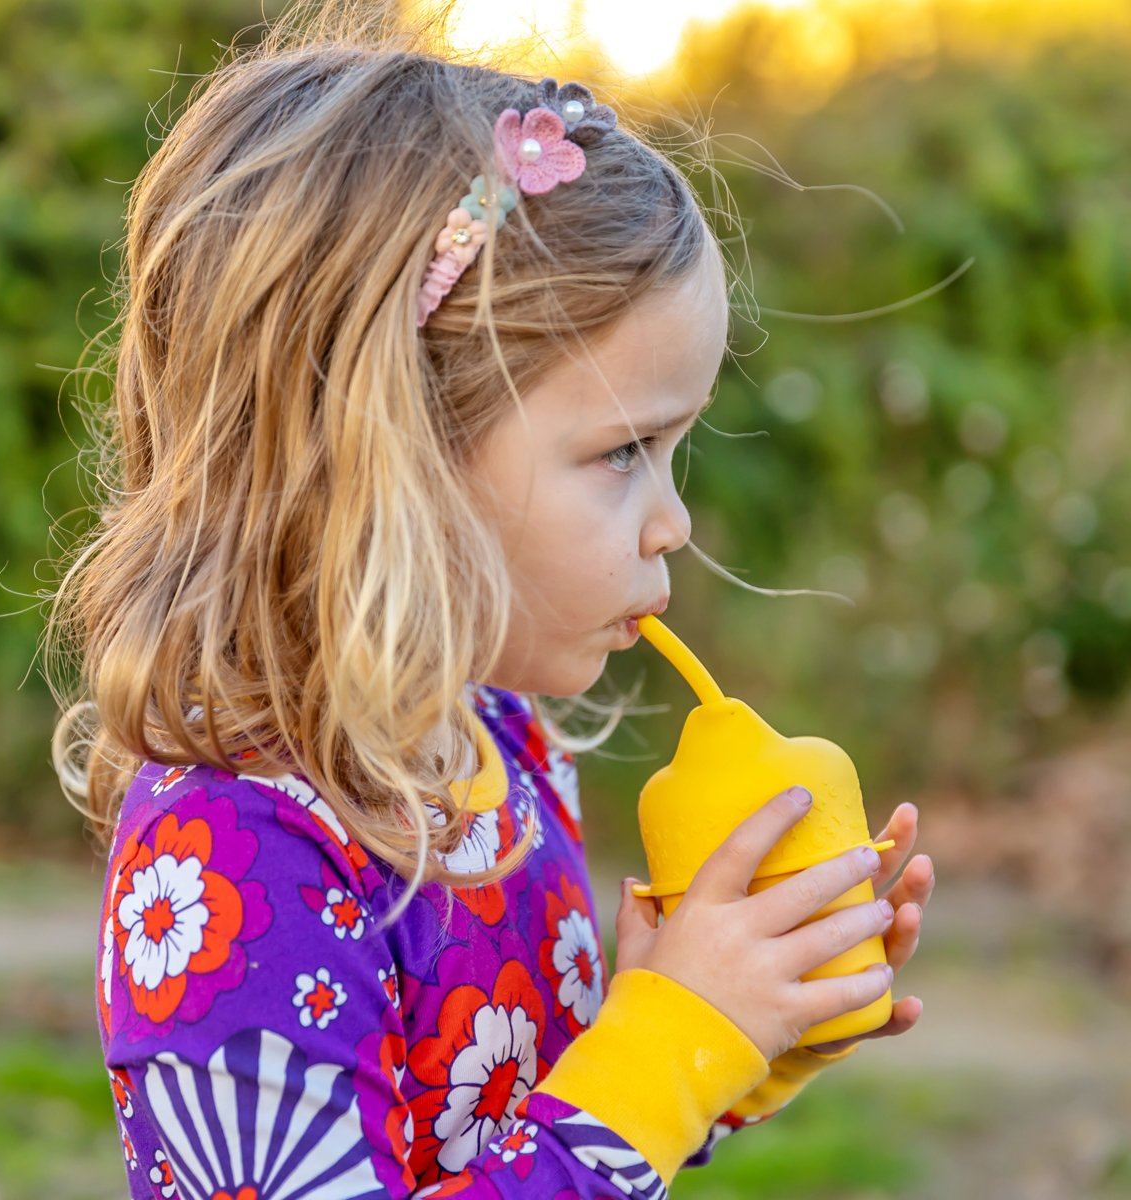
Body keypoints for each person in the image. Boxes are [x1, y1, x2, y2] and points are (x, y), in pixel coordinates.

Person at [47, 5, 936, 1196]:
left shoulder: (496, 743)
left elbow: (540, 1149)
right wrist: (669, 1040)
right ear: (392, 451)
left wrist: (733, 1036)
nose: (673, 520)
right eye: (625, 450)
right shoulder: (236, 851)